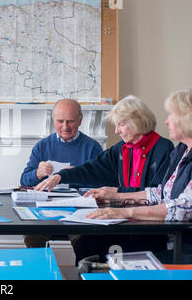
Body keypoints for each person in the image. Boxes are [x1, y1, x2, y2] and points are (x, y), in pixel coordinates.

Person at [77, 88, 192, 263]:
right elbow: (158, 193)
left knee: (108, 257)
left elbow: (181, 209)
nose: (166, 121)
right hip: (170, 238)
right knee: (85, 246)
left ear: (186, 119)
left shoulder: (166, 148)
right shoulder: (181, 150)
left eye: (171, 115)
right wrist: (116, 196)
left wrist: (122, 211)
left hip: (181, 247)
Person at [35, 95, 174, 193]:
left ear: (137, 122)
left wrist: (116, 193)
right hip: (125, 216)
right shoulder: (121, 148)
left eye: (121, 125)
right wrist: (60, 176)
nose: (116, 131)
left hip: (149, 223)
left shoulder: (163, 148)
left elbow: (158, 194)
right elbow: (91, 168)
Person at [20, 99, 103, 247]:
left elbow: (102, 184)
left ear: (80, 120)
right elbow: (24, 181)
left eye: (70, 121)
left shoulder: (93, 148)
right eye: (60, 121)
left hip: (79, 208)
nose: (65, 127)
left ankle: (83, 267)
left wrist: (77, 174)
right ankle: (42, 269)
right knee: (32, 233)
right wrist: (38, 173)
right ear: (53, 120)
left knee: (86, 238)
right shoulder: (42, 146)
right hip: (46, 207)